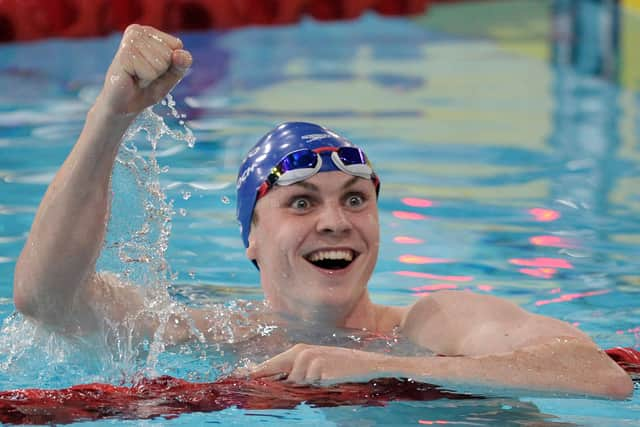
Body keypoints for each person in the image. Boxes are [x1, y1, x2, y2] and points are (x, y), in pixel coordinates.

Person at [12, 25, 633, 399]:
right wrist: (109, 119)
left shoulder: (430, 324)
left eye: (356, 199)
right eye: (302, 202)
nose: (336, 221)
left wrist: (369, 366)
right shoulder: (205, 336)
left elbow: (598, 377)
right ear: (251, 237)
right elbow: (44, 300)